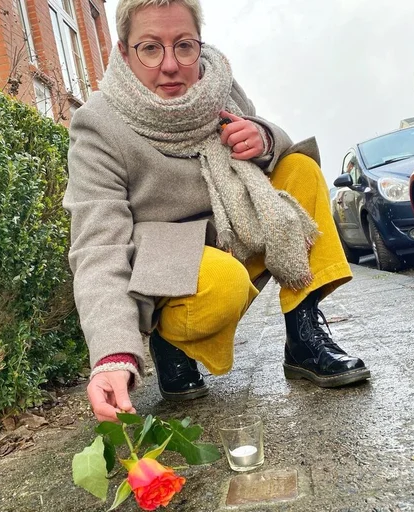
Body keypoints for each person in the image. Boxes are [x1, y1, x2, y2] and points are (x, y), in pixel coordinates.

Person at [64, 0, 370, 423]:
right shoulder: (98, 124)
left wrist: (263, 138)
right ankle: (171, 341)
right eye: (150, 48)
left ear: (199, 44)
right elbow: (98, 244)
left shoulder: (219, 86)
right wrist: (113, 354)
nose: (170, 65)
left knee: (299, 169)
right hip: (169, 261)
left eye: (183, 46)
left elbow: (265, 144)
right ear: (122, 51)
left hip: (231, 229)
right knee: (224, 281)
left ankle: (303, 335)